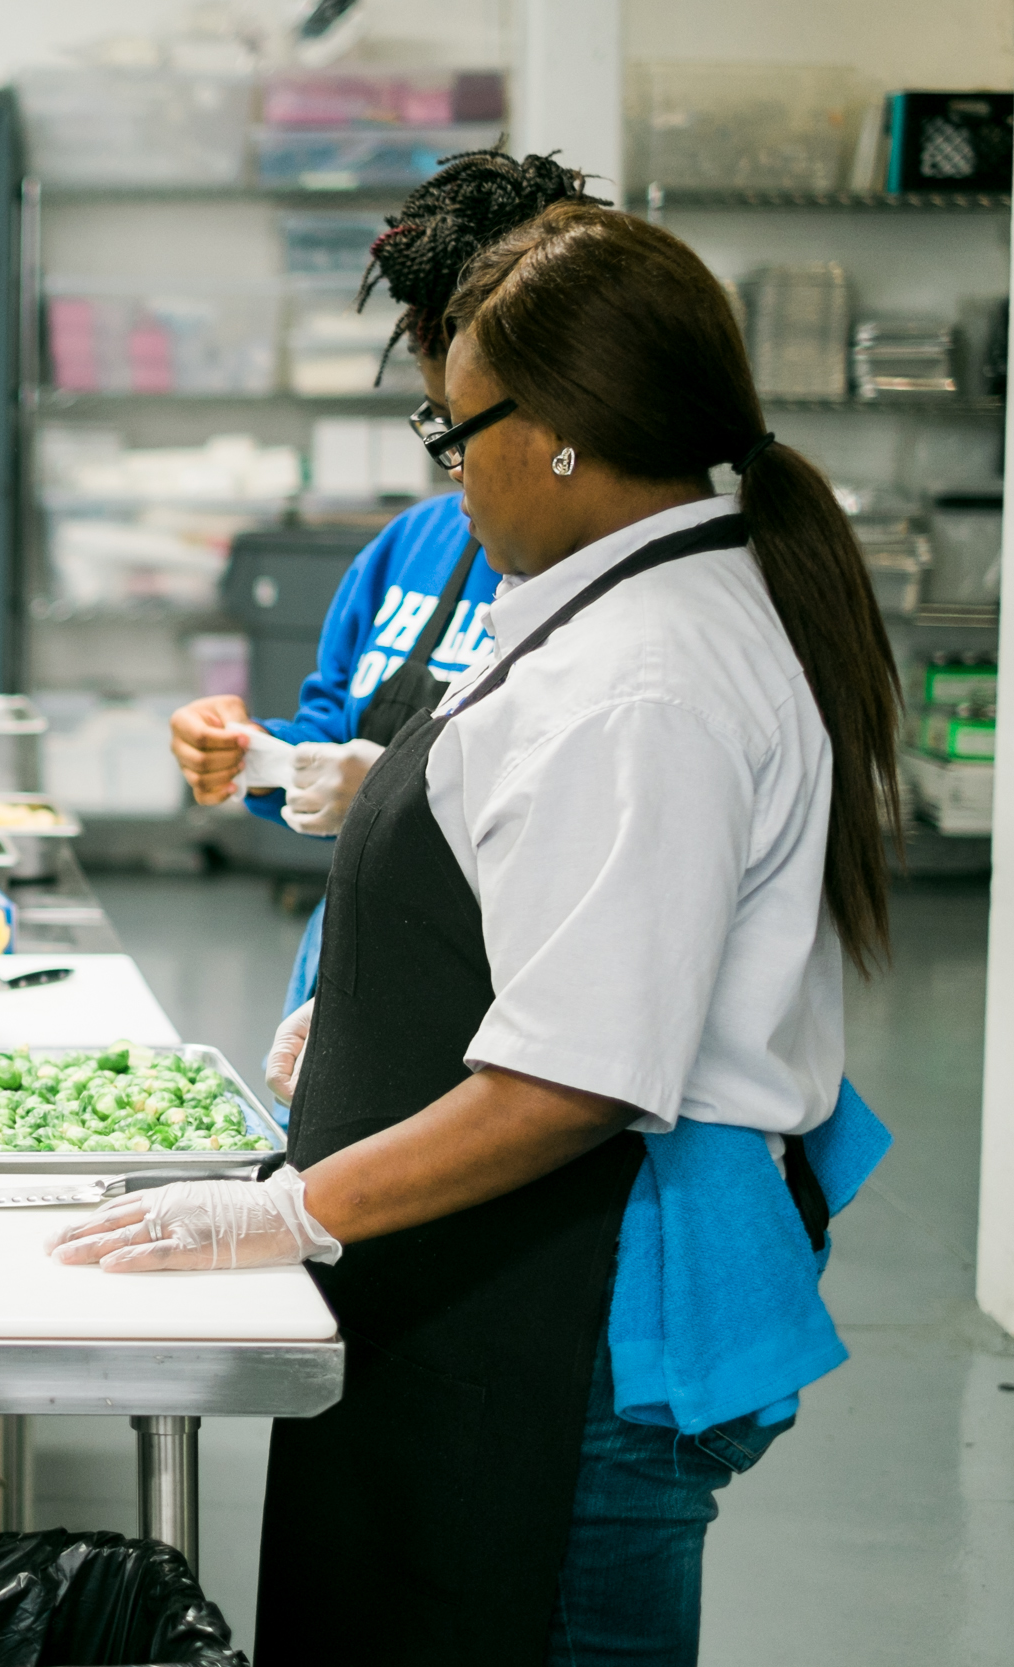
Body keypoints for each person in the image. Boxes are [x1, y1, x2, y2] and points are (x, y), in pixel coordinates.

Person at [54, 203, 899, 1665]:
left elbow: (572, 1080)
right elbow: (551, 846)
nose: (449, 478)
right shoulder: (616, 601)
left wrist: (278, 1210)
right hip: (479, 1277)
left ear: (561, 430)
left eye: (455, 436)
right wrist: (375, 980)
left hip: (568, 1317)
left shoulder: (649, 674)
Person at [164, 150, 602, 1047]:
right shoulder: (410, 547)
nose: (458, 468)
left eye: (469, 429)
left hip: (504, 1014)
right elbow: (324, 732)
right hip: (354, 977)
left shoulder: (605, 582)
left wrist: (405, 795)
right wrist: (253, 753)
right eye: (440, 425)